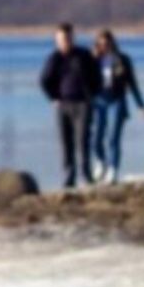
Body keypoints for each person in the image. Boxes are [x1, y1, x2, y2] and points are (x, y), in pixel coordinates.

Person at [40, 23, 101, 188]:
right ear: (56, 40)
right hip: (63, 105)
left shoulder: (83, 55)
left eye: (67, 38)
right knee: (65, 142)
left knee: (83, 140)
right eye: (61, 39)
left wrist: (93, 95)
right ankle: (69, 175)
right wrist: (53, 98)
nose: (64, 42)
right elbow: (44, 80)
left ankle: (86, 174)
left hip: (83, 104)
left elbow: (97, 76)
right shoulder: (54, 58)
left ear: (72, 38)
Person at [90, 29, 144, 184]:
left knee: (113, 138)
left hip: (117, 101)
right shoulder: (93, 60)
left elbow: (132, 83)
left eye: (107, 44)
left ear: (112, 43)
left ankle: (113, 169)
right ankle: (100, 161)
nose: (104, 47)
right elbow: (83, 79)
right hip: (98, 101)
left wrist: (141, 105)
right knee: (95, 138)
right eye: (101, 44)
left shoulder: (122, 60)